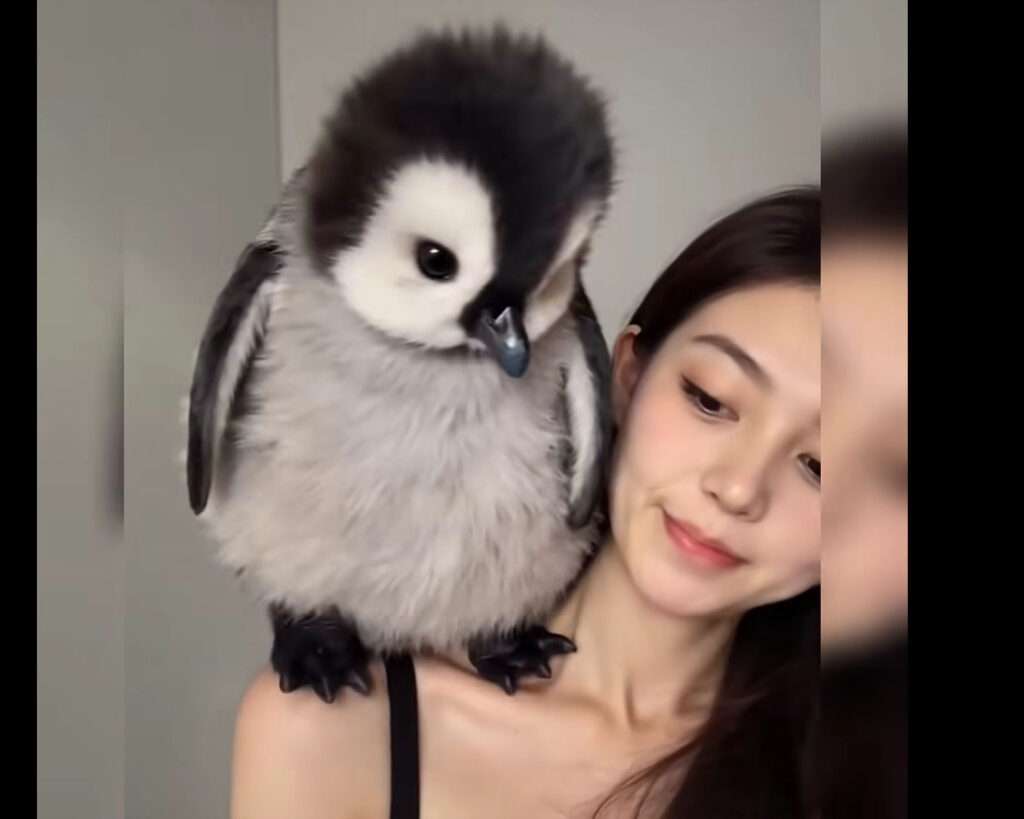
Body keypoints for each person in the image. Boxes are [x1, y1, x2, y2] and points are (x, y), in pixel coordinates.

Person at [230, 186, 822, 818]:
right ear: (626, 376)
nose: (738, 488)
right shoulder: (330, 733)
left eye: (820, 466)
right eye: (709, 399)